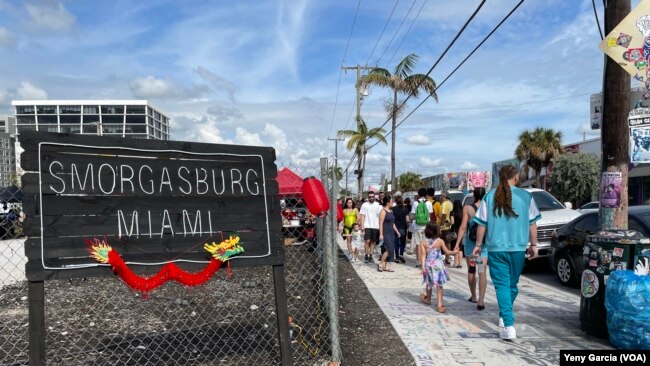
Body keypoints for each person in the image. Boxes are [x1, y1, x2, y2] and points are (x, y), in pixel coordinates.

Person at [473, 165, 541, 340]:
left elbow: (482, 224)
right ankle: (507, 320)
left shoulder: (489, 197)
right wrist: (534, 245)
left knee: (504, 286)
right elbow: (533, 223)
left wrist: (478, 244)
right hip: (518, 248)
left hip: (496, 249)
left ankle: (507, 322)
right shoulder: (526, 197)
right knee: (511, 285)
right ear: (516, 177)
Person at [454, 188, 487, 310]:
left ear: (474, 195)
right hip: (484, 244)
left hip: (470, 244)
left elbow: (463, 227)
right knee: (482, 271)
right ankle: (481, 300)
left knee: (471, 270)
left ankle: (473, 296)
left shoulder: (468, 208)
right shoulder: (488, 208)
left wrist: (457, 243)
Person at [419, 222, 458, 312]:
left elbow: (423, 255)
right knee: (439, 284)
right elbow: (447, 252)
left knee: (429, 283)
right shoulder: (440, 241)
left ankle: (428, 299)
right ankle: (439, 304)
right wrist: (455, 252)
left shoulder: (423, 242)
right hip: (437, 265)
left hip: (428, 265)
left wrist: (423, 267)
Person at [410, 188, 433, 268]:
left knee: (418, 244)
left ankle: (418, 261)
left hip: (417, 226)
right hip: (426, 226)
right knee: (426, 244)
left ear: (418, 194)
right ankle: (426, 261)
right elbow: (430, 215)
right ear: (426, 194)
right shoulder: (429, 203)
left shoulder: (415, 203)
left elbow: (412, 215)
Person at [358, 191, 382, 264]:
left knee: (373, 241)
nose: (371, 198)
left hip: (376, 226)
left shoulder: (378, 205)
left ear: (375, 197)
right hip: (367, 225)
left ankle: (371, 255)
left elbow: (380, 216)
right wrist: (362, 225)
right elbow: (362, 215)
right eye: (370, 197)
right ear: (368, 197)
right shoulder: (364, 205)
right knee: (367, 241)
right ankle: (366, 255)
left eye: (372, 197)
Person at [378, 196, 400, 272]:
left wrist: (397, 231)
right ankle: (381, 264)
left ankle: (386, 266)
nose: (392, 203)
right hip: (385, 232)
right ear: (387, 202)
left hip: (391, 233)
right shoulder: (383, 211)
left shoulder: (391, 211)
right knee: (388, 249)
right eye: (391, 201)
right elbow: (380, 223)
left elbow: (393, 223)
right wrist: (381, 234)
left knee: (391, 249)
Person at [439, 191, 454, 265]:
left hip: (444, 225)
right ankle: (447, 258)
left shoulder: (444, 204)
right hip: (449, 225)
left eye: (441, 196)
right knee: (448, 242)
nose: (440, 197)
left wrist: (441, 226)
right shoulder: (450, 203)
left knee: (442, 242)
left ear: (443, 196)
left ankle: (445, 258)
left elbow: (444, 216)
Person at [392, 196, 408, 263]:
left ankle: (397, 257)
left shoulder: (393, 209)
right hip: (403, 228)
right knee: (403, 242)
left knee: (396, 242)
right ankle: (401, 254)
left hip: (395, 227)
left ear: (395, 201)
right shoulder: (405, 209)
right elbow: (407, 219)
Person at [450, 199, 463, 268]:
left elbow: (452, 222)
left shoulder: (452, 212)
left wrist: (447, 223)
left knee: (455, 246)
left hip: (455, 231)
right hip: (461, 231)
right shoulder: (462, 212)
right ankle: (460, 263)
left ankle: (455, 263)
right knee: (460, 247)